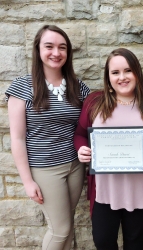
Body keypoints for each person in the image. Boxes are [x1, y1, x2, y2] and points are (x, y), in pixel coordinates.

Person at [74, 48, 143, 250]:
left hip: (138, 190)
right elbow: (80, 134)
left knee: (134, 242)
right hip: (104, 190)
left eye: (128, 70)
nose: (122, 77)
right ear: (108, 77)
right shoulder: (94, 103)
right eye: (115, 72)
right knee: (103, 241)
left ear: (137, 72)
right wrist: (82, 149)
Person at [6, 25, 90, 250]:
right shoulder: (22, 87)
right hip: (45, 169)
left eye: (62, 47)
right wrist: (27, 181)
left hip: (74, 166)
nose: (56, 52)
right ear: (38, 50)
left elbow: (95, 119)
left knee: (67, 226)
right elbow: (17, 138)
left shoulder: (78, 87)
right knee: (60, 229)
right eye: (49, 46)